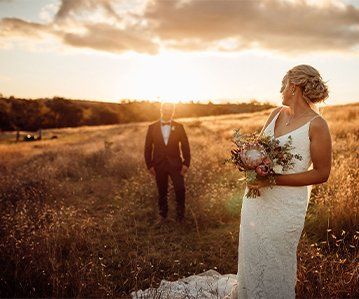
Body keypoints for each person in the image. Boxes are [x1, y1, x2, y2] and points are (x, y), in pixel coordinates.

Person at [133, 64, 332, 298]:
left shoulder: (317, 124)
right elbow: (260, 150)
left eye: (283, 85)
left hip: (286, 205)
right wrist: (249, 164)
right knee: (252, 250)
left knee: (277, 254)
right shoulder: (275, 114)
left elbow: (321, 173)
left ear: (294, 87)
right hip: (256, 199)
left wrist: (274, 180)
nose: (280, 90)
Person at [144, 102, 191, 225]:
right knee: (162, 191)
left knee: (180, 189)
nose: (167, 111)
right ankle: (163, 217)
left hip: (176, 165)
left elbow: (185, 146)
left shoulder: (179, 127)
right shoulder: (152, 127)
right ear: (161, 110)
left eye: (170, 109)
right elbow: (148, 148)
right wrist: (149, 165)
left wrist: (186, 163)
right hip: (158, 165)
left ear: (173, 111)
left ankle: (180, 217)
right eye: (165, 109)